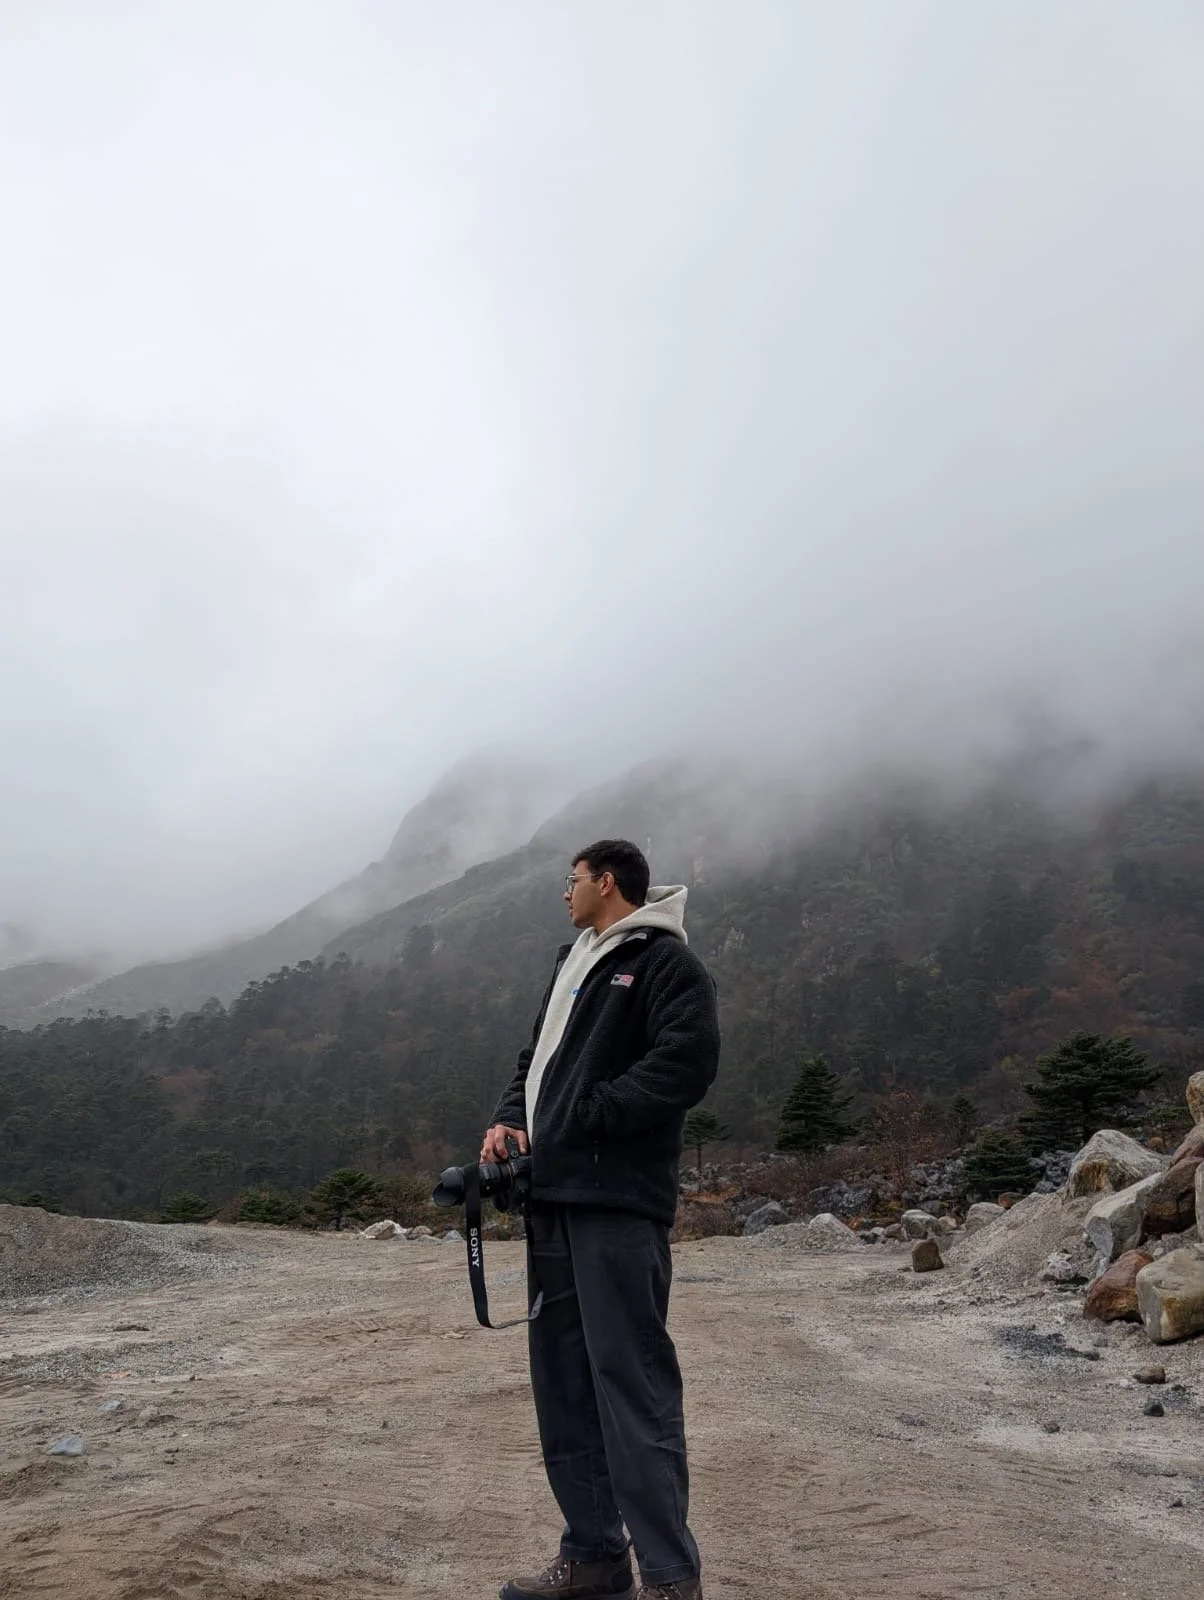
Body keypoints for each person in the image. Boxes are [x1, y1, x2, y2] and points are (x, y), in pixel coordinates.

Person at [481, 838, 721, 1600]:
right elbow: (536, 1062)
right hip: (551, 1200)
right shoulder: (573, 961)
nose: (565, 893)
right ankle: (593, 1559)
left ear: (606, 882)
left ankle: (671, 1578)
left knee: (631, 1385)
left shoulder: (664, 964)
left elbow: (688, 1062)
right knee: (562, 1385)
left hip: (617, 1205)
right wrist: (508, 1120)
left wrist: (588, 1114)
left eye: (572, 881)